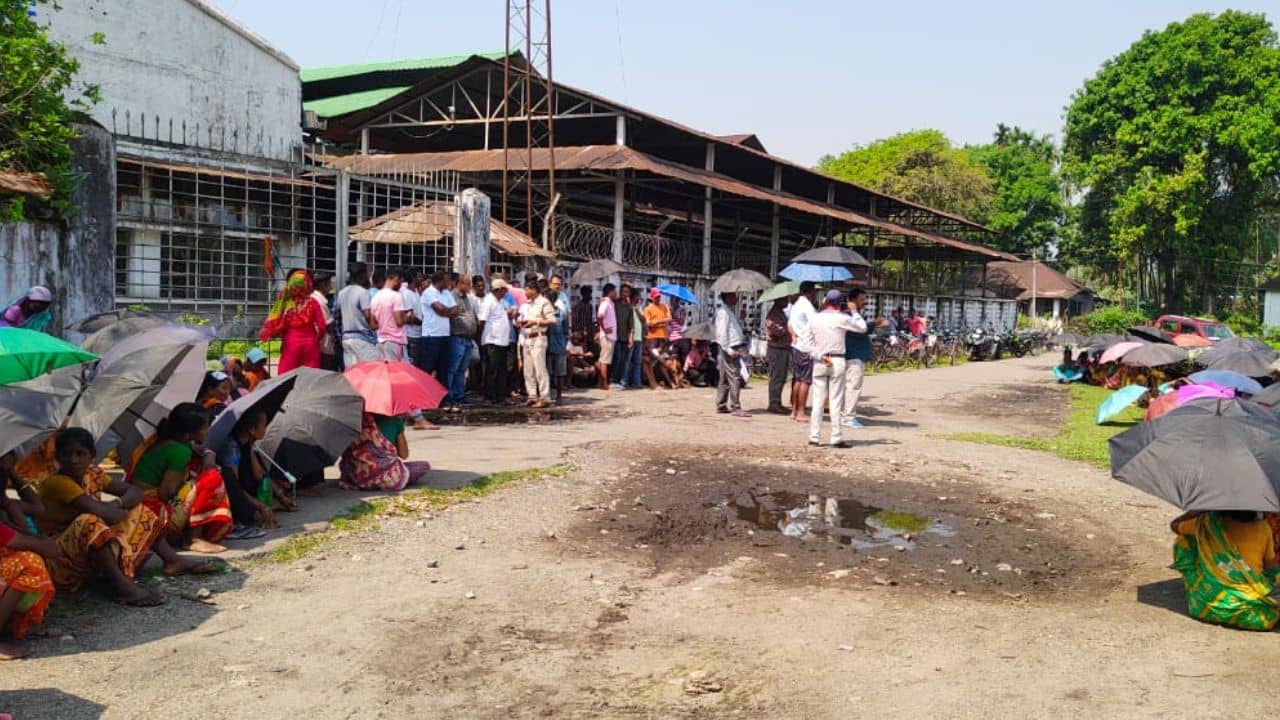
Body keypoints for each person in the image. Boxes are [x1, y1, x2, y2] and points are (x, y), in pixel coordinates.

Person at [37, 428, 212, 606]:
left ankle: (172, 560)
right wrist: (114, 510)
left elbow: (134, 491)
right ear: (57, 457)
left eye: (80, 454)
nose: (73, 460)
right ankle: (121, 587)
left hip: (83, 549)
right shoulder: (59, 482)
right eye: (66, 455)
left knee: (139, 510)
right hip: (58, 557)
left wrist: (118, 505)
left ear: (92, 455)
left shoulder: (92, 473)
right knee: (89, 522)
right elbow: (103, 513)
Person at [126, 403, 235, 553]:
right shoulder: (180, 451)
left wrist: (208, 454)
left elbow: (198, 450)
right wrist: (192, 484)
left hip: (138, 507)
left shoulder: (164, 441)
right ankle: (193, 538)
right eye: (205, 428)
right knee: (212, 477)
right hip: (152, 511)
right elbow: (166, 493)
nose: (208, 431)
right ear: (187, 434)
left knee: (199, 469)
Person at [1170, 510, 1280, 630]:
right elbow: (1271, 568)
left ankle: (1200, 589)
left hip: (1204, 608)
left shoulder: (1205, 524)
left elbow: (1174, 525)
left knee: (1183, 540)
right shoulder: (1263, 528)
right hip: (1254, 617)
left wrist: (1198, 510)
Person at [0, 451, 58, 659]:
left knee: (30, 559)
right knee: (30, 564)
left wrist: (12, 477)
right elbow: (45, 547)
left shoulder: (8, 506)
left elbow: (37, 508)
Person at [807, 290, 864, 448]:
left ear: (825, 301)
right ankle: (836, 437)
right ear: (841, 303)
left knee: (817, 401)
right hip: (837, 359)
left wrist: (819, 355)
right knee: (836, 400)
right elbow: (862, 327)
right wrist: (853, 311)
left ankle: (814, 437)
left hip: (820, 361)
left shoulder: (815, 318)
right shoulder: (842, 318)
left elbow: (807, 342)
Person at [215, 407, 278, 540]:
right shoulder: (231, 447)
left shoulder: (247, 443)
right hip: (229, 494)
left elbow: (259, 474)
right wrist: (260, 507)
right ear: (252, 430)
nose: (265, 429)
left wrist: (280, 496)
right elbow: (234, 487)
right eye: (263, 425)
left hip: (243, 488)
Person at [339, 413, 431, 491]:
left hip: (353, 476)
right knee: (424, 465)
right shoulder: (394, 421)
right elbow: (404, 455)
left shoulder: (354, 421)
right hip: (387, 476)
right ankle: (381, 481)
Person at [259, 269, 327, 373]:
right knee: (310, 377)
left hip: (291, 343)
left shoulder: (285, 302)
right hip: (311, 344)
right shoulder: (313, 303)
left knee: (286, 376)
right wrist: (315, 339)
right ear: (308, 284)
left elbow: (278, 322)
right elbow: (322, 327)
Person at [517, 280, 556, 407]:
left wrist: (535, 322)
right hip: (527, 337)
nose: (525, 293)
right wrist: (523, 323)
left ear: (534, 290)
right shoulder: (528, 304)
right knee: (528, 370)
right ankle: (532, 395)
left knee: (540, 368)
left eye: (527, 290)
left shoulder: (544, 302)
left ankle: (545, 396)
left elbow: (552, 320)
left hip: (539, 337)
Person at [478, 278, 514, 405]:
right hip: (492, 340)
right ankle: (488, 396)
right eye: (504, 290)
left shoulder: (502, 301)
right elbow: (481, 321)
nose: (505, 293)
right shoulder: (488, 301)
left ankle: (501, 396)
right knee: (491, 370)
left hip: (503, 341)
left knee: (502, 370)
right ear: (498, 290)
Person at [714, 292, 750, 418]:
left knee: (725, 376)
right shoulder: (723, 313)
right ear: (727, 297)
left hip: (732, 345)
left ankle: (721, 403)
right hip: (730, 347)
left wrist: (741, 320)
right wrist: (728, 349)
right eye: (733, 296)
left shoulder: (729, 312)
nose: (736, 298)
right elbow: (721, 333)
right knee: (734, 376)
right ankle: (735, 406)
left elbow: (734, 330)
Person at [337, 262, 380, 368]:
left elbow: (337, 316)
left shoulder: (342, 293)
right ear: (362, 275)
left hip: (346, 338)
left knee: (352, 374)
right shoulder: (363, 293)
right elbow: (367, 315)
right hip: (362, 338)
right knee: (371, 370)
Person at [446, 273, 478, 410]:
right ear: (460, 284)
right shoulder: (452, 296)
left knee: (462, 370)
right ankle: (450, 397)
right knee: (453, 369)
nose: (470, 286)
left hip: (467, 339)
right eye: (467, 283)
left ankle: (459, 396)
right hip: (457, 337)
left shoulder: (467, 299)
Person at [787, 282, 818, 422]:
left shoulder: (796, 305)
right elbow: (816, 324)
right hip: (805, 347)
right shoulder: (807, 306)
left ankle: (794, 410)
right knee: (805, 381)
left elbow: (789, 324)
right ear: (810, 291)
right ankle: (800, 411)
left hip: (797, 346)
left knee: (798, 379)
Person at [420, 271, 458, 380]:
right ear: (440, 280)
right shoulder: (428, 293)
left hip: (445, 335)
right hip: (431, 336)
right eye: (448, 280)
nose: (450, 282)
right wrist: (448, 311)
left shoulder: (447, 293)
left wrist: (446, 312)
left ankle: (443, 396)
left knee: (444, 369)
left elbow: (456, 310)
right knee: (428, 369)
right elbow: (439, 309)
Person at [842, 287, 872, 429]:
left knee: (848, 386)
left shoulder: (855, 315)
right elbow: (861, 330)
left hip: (853, 355)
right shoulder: (849, 315)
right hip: (853, 355)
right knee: (853, 386)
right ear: (852, 300)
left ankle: (845, 414)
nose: (864, 302)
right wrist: (875, 324)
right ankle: (848, 416)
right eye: (861, 299)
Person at [370, 269, 409, 361]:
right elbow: (399, 322)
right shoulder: (396, 296)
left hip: (381, 341)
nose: (400, 285)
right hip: (395, 341)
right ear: (395, 279)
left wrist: (385, 324)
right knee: (399, 372)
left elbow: (372, 325)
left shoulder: (375, 297)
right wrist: (408, 317)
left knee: (386, 372)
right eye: (400, 281)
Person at [764, 295, 793, 414]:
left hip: (783, 348)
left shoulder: (780, 312)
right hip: (776, 349)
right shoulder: (773, 313)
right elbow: (776, 330)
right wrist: (788, 329)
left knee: (782, 376)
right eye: (785, 299)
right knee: (776, 376)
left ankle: (777, 402)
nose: (787, 301)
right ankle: (774, 403)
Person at [546, 275, 570, 404]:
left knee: (560, 372)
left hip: (559, 345)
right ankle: (548, 395)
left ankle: (559, 396)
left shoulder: (561, 311)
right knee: (547, 372)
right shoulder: (544, 311)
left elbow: (566, 328)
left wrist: (567, 344)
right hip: (546, 345)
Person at [312, 271, 338, 371]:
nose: (331, 286)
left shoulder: (317, 299)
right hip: (323, 346)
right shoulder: (319, 301)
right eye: (329, 283)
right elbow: (327, 325)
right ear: (322, 284)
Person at [400, 269, 425, 367]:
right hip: (411, 336)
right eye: (419, 276)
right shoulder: (406, 294)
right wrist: (422, 322)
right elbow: (409, 315)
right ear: (413, 278)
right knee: (412, 365)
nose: (421, 278)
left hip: (418, 335)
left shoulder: (416, 292)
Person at [596, 283, 617, 390]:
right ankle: (604, 383)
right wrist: (604, 328)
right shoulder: (605, 303)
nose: (616, 293)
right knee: (605, 360)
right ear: (610, 292)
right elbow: (600, 316)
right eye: (615, 291)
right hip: (607, 336)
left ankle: (600, 383)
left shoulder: (610, 303)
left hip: (610, 336)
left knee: (602, 359)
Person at [625, 288, 646, 389]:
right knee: (628, 361)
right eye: (638, 296)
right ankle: (626, 381)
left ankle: (636, 382)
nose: (640, 298)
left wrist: (637, 309)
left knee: (637, 361)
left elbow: (643, 320)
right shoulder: (628, 307)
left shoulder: (639, 308)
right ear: (634, 296)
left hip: (639, 338)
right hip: (631, 337)